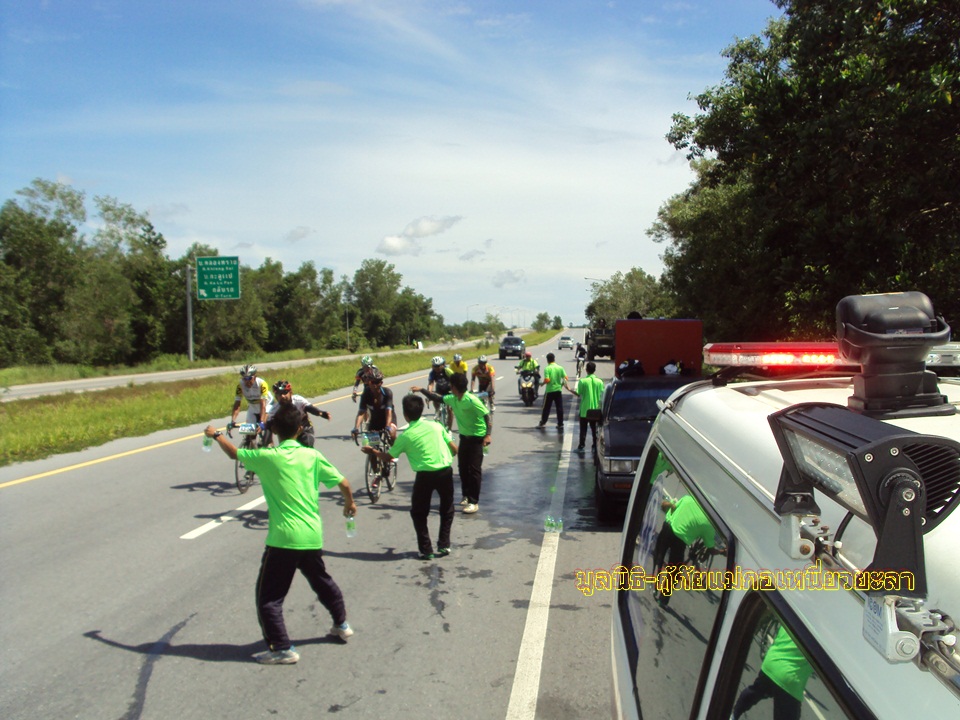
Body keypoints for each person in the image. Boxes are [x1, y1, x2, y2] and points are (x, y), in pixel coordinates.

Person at [203, 403, 357, 665]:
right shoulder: (312, 456)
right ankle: (342, 624)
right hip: (311, 536)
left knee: (269, 598)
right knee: (322, 582)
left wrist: (216, 435)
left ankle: (282, 649)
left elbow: (234, 454)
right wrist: (349, 504)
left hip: (283, 540)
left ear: (274, 430)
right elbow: (343, 482)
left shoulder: (268, 456)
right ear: (299, 429)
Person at [362, 393, 459, 560]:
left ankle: (426, 549)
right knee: (447, 508)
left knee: (419, 513)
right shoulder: (436, 426)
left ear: (405, 415)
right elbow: (454, 449)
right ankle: (444, 544)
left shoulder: (406, 436)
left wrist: (374, 451)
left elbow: (389, 457)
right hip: (444, 471)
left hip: (425, 475)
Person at [412, 373, 491, 514]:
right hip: (464, 438)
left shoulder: (472, 400)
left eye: (451, 385)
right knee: (463, 468)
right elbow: (437, 398)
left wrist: (488, 435)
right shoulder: (453, 399)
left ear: (454, 387)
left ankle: (474, 502)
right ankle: (466, 496)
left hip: (477, 439)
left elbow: (486, 415)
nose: (449, 387)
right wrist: (422, 390)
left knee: (474, 470)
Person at [652, 494, 723, 607]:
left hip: (667, 527)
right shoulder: (709, 524)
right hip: (680, 540)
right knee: (675, 573)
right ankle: (663, 599)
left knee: (659, 555)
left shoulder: (688, 499)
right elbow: (710, 548)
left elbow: (673, 507)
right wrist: (722, 552)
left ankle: (654, 581)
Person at [732, 626, 812, 720]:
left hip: (771, 663)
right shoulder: (816, 635)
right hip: (790, 680)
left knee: (755, 691)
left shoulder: (794, 621)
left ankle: (734, 714)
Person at [265, 379, 331, 449]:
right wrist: (267, 441)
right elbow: (268, 425)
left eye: (285, 392)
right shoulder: (274, 409)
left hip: (304, 427)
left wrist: (321, 413)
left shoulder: (298, 400)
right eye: (279, 394)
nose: (282, 396)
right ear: (276, 396)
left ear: (290, 393)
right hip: (287, 433)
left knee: (306, 442)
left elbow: (309, 408)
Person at [566, 361, 604, 452]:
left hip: (585, 410)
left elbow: (578, 393)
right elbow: (602, 395)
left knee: (583, 429)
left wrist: (569, 389)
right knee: (594, 429)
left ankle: (581, 446)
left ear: (586, 370)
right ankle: (595, 446)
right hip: (596, 409)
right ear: (594, 370)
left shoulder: (583, 381)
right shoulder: (600, 381)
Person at [538, 352, 569, 430]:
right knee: (559, 407)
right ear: (554, 359)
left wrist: (542, 384)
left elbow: (547, 380)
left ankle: (543, 422)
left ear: (547, 360)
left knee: (546, 407)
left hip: (550, 391)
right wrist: (562, 384)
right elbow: (566, 378)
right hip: (558, 390)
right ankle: (560, 423)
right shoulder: (560, 368)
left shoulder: (547, 368)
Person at [426, 356, 454, 429]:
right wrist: (429, 394)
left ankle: (449, 429)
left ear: (443, 365)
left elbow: (455, 380)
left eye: (438, 366)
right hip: (440, 390)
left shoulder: (447, 371)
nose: (436, 368)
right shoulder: (432, 372)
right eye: (434, 366)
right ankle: (437, 410)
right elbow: (431, 383)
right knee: (433, 397)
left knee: (450, 409)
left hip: (449, 390)